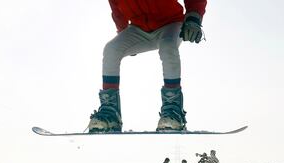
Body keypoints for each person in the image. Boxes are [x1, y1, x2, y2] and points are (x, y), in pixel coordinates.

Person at [87, 0, 207, 133]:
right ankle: (110, 114)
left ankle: (173, 112)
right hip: (139, 29)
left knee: (168, 46)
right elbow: (117, 9)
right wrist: (122, 30)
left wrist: (193, 17)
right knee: (112, 49)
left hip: (171, 24)